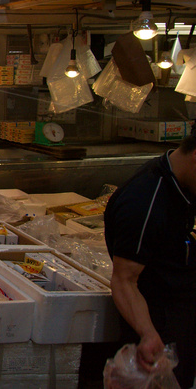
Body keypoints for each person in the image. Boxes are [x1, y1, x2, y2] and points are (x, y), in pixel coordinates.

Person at [104, 136, 196, 388]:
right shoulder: (144, 202)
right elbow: (124, 280)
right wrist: (147, 333)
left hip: (183, 316)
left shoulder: (184, 182)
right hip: (160, 327)